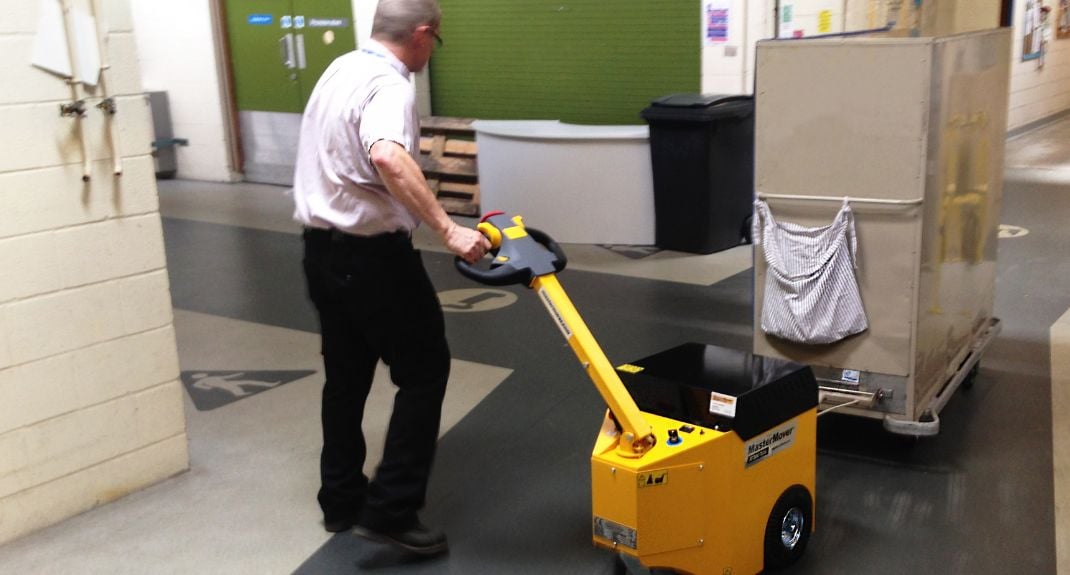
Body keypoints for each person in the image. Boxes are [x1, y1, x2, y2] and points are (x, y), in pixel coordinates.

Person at [292, 0, 488, 557]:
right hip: (373, 259)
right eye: (437, 40)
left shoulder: (339, 70)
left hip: (319, 253)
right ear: (422, 35)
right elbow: (388, 157)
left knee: (346, 376)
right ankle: (392, 510)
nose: (433, 51)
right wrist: (450, 229)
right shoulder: (389, 85)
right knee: (425, 371)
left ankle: (340, 500)